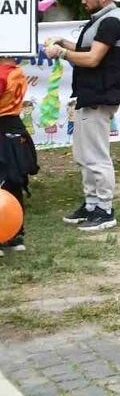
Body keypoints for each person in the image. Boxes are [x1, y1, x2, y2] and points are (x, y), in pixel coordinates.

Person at [48, 0, 120, 232]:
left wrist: (62, 52)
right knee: (84, 156)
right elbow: (89, 51)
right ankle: (91, 204)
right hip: (90, 97)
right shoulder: (102, 20)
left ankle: (105, 210)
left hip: (100, 97)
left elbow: (94, 58)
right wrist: (66, 43)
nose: (83, 0)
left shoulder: (112, 22)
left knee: (97, 157)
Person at [0, 57, 37, 252]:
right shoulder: (16, 71)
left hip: (3, 131)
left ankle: (8, 235)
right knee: (12, 182)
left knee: (5, 182)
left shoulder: (2, 74)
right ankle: (15, 234)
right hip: (14, 129)